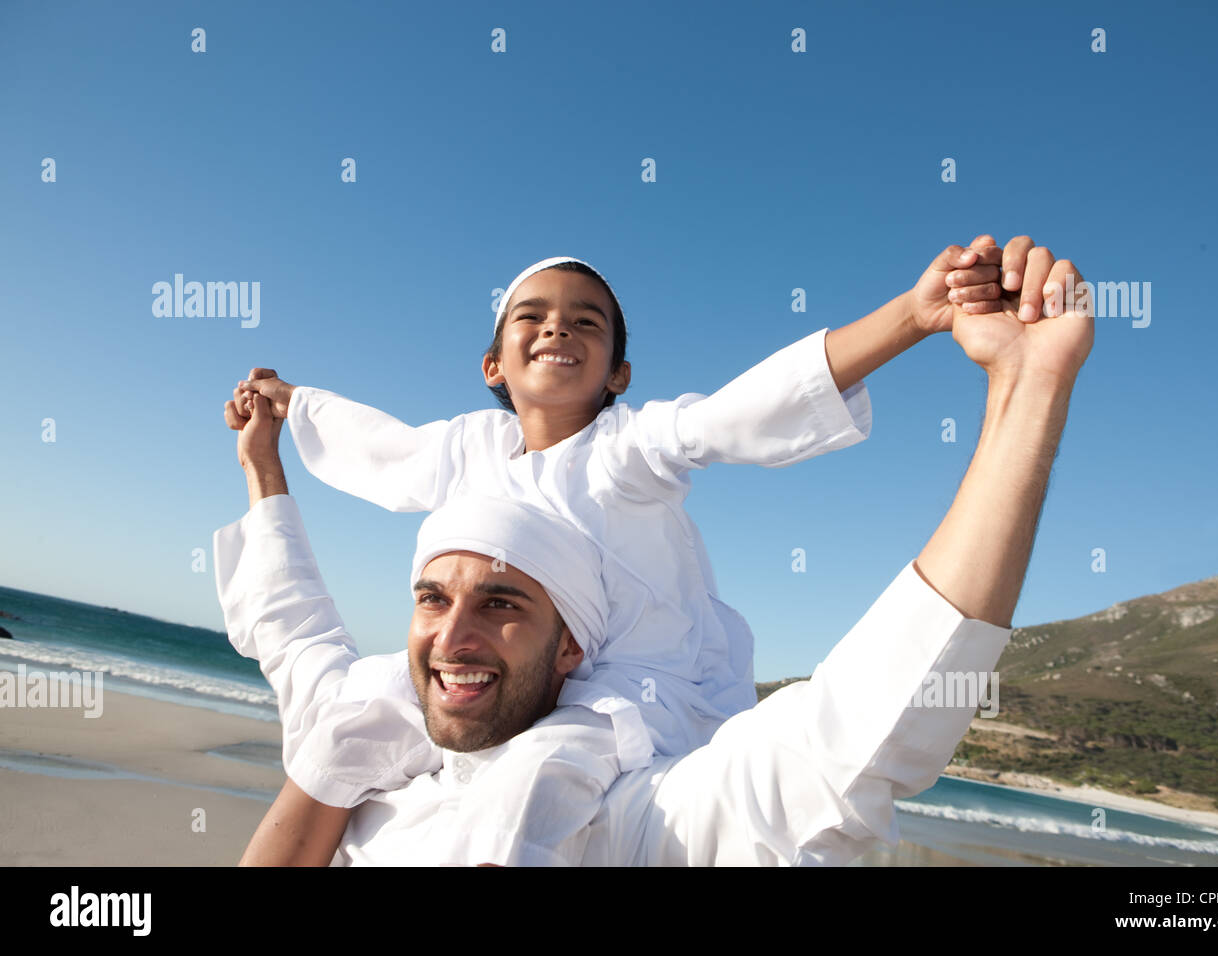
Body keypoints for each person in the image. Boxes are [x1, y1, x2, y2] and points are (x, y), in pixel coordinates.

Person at [216, 237, 1093, 864]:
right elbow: (379, 459)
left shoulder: (633, 443)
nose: (558, 329)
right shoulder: (468, 453)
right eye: (533, 316)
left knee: (545, 772)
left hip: (637, 694)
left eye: (586, 322)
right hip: (516, 700)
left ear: (619, 374)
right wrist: (289, 416)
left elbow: (742, 413)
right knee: (358, 704)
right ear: (492, 362)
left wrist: (911, 318)